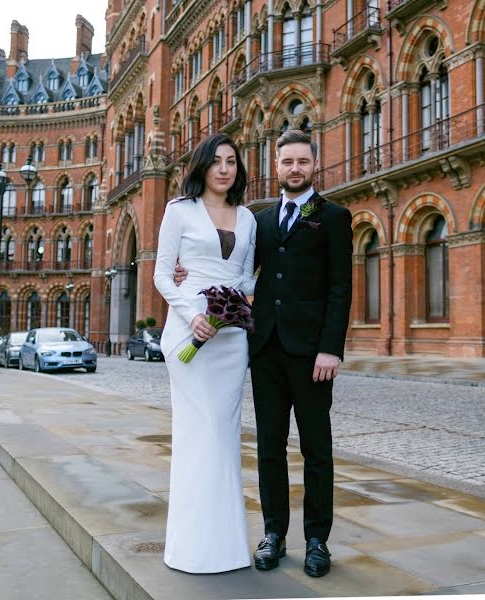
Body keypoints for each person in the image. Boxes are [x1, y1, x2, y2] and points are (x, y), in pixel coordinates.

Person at [175, 129, 353, 577]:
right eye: (287, 161)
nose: (295, 168)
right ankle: (274, 533)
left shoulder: (333, 217)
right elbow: (241, 275)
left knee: (317, 449)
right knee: (270, 447)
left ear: (314, 166)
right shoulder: (262, 221)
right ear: (276, 167)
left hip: (313, 355)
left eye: (302, 162)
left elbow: (340, 289)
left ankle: (317, 540)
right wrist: (187, 273)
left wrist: (331, 349)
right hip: (266, 350)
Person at [153, 133, 256, 573]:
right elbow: (162, 274)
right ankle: (190, 549)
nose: (224, 169)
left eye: (231, 161)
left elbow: (248, 279)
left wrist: (236, 305)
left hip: (231, 339)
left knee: (224, 437)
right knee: (199, 435)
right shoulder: (179, 211)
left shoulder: (249, 218)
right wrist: (193, 312)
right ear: (202, 167)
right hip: (188, 332)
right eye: (215, 161)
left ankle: (227, 549)